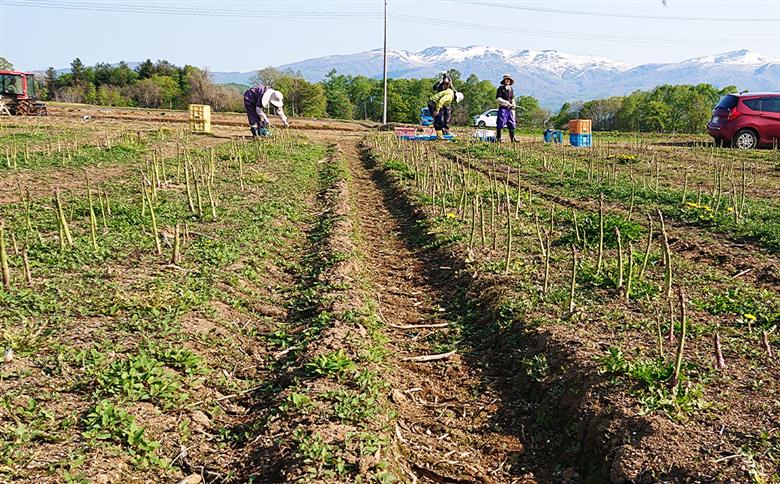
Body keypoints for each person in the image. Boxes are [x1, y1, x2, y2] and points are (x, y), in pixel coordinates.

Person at [495, 74, 517, 143]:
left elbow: (512, 98)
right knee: (500, 123)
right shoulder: (501, 88)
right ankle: (498, 139)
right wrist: (506, 103)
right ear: (504, 80)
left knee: (512, 123)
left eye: (509, 80)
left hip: (510, 109)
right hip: (503, 109)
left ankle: (512, 139)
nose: (507, 81)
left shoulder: (511, 89)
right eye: (506, 79)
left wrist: (513, 104)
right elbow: (498, 99)